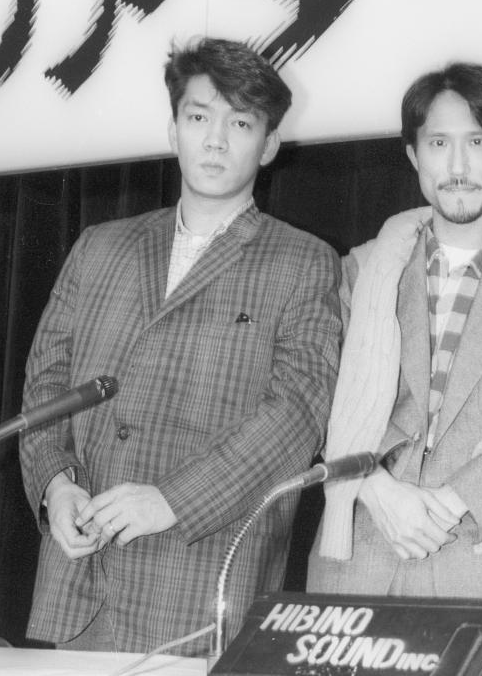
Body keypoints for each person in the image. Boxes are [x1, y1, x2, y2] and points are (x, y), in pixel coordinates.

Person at [19, 37, 341, 656]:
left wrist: (171, 501)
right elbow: (46, 386)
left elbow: (296, 417)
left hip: (197, 590)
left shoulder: (304, 262)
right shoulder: (99, 246)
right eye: (198, 117)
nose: (215, 140)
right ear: (173, 130)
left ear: (269, 144)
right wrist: (55, 486)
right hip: (76, 586)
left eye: (239, 123)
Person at [304, 62, 482, 674]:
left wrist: (458, 500)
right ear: (413, 156)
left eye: (478, 142)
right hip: (359, 544)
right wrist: (376, 487)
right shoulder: (357, 271)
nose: (458, 165)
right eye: (439, 143)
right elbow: (317, 392)